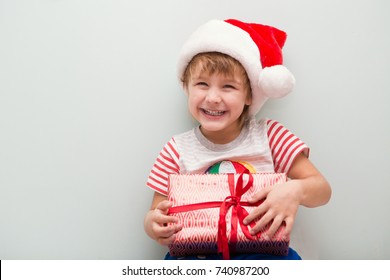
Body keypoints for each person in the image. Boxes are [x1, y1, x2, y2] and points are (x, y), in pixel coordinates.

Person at [143, 19, 331, 260]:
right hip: (194, 258)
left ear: (249, 95)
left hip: (263, 256)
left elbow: (322, 190)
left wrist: (295, 190)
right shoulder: (175, 150)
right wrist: (154, 225)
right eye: (201, 84)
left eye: (228, 86)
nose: (212, 97)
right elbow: (154, 214)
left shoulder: (270, 136)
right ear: (187, 88)